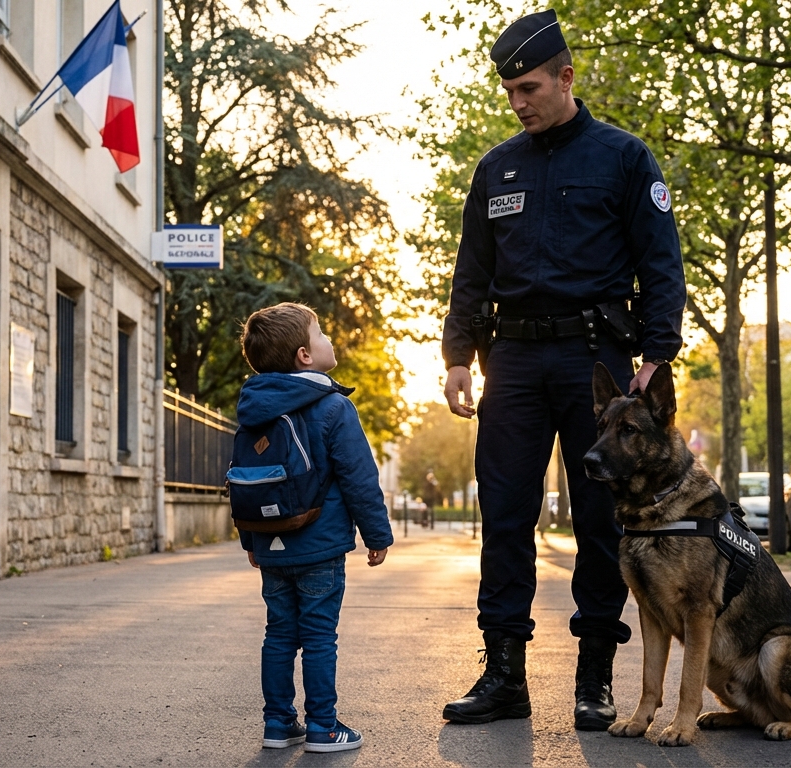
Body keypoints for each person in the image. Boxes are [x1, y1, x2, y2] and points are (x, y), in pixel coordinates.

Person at [439, 10, 687, 730]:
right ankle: (504, 674)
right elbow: (471, 275)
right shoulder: (496, 168)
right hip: (510, 362)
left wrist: (658, 353)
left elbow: (660, 263)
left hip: (598, 366)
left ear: (566, 78)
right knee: (506, 515)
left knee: (602, 522)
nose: (519, 102)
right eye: (510, 91)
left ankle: (596, 678)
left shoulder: (623, 158)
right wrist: (458, 355)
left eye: (530, 86)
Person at [236, 303, 394, 753]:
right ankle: (323, 726)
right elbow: (359, 477)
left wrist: (251, 538)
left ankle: (278, 723)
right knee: (320, 636)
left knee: (279, 634)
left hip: (270, 544)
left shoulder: (254, 408)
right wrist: (377, 534)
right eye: (321, 334)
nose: (329, 341)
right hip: (319, 546)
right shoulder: (333, 407)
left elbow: (246, 476)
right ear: (305, 355)